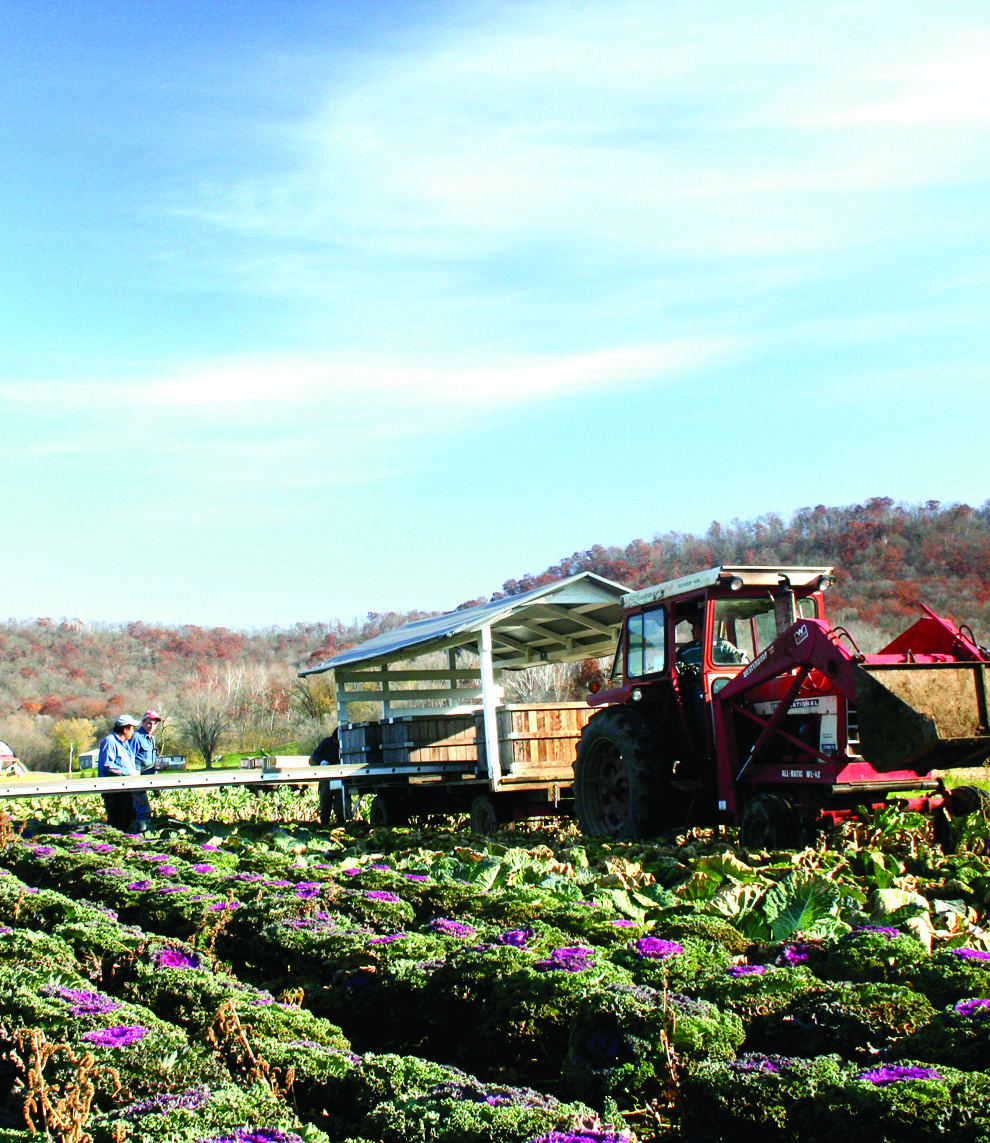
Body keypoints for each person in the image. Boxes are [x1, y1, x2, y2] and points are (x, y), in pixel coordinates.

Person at [98, 714, 140, 831]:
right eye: (132, 728)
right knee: (117, 820)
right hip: (114, 791)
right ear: (125, 730)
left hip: (125, 789)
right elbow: (107, 765)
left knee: (127, 818)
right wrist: (128, 773)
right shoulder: (110, 742)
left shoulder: (125, 744)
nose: (133, 731)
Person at [128, 711, 162, 831]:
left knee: (138, 812)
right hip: (137, 782)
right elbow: (129, 760)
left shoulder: (151, 739)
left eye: (154, 724)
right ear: (143, 722)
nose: (152, 726)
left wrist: (155, 787)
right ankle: (140, 838)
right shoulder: (136, 737)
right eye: (149, 723)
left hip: (147, 781)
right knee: (144, 811)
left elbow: (152, 764)